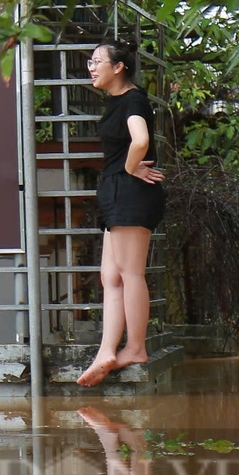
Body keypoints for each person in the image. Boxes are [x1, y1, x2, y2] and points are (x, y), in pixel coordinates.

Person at [78, 39, 165, 387]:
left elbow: (140, 141)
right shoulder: (116, 102)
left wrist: (131, 168)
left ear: (119, 67)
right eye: (90, 61)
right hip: (117, 193)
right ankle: (107, 350)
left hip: (131, 193)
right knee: (110, 277)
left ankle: (136, 348)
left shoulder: (134, 100)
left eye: (98, 61)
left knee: (130, 274)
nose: (91, 67)